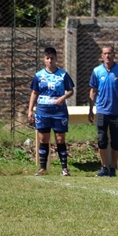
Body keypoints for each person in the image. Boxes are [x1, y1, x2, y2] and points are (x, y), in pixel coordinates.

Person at [28, 47, 75, 176]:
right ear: (44, 59)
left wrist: (63, 97)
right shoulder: (39, 76)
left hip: (59, 112)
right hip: (43, 111)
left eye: (52, 58)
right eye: (47, 58)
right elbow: (34, 92)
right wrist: (30, 110)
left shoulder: (63, 75)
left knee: (60, 139)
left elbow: (71, 90)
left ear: (56, 59)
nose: (50, 61)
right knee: (44, 139)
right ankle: (43, 168)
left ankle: (64, 168)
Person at [89, 45, 118, 177]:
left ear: (114, 55)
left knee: (115, 141)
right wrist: (90, 109)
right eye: (105, 53)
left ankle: (112, 168)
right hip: (102, 111)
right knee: (102, 140)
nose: (108, 56)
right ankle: (104, 168)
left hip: (117, 112)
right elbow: (93, 90)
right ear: (102, 56)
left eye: (110, 53)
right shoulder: (97, 71)